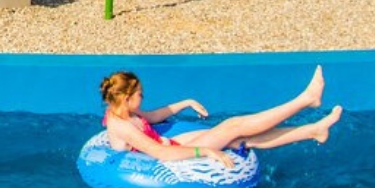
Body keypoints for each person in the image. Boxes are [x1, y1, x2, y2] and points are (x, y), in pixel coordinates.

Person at [99, 66, 341, 162]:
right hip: (166, 154)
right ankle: (305, 100)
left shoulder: (124, 110)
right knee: (234, 126)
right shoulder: (122, 126)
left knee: (238, 137)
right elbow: (161, 153)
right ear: (126, 98)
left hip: (172, 143)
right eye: (140, 94)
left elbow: (151, 117)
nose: (144, 97)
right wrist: (205, 151)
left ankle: (313, 130)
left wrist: (186, 102)